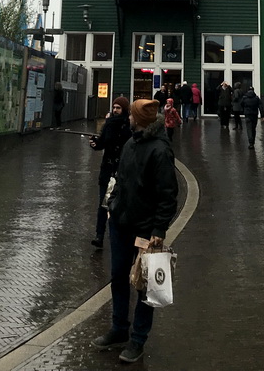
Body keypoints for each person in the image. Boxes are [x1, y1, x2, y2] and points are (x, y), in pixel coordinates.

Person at [94, 99, 178, 365]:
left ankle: (138, 339)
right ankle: (119, 327)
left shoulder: (160, 151)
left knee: (145, 284)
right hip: (120, 223)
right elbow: (120, 178)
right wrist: (113, 204)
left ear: (139, 119)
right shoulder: (131, 144)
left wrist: (158, 228)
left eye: (131, 115)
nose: (128, 118)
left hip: (145, 229)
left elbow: (168, 194)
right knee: (118, 276)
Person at [89, 95, 132, 250]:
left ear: (124, 109)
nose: (115, 110)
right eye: (114, 107)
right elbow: (102, 143)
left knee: (120, 204)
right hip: (107, 170)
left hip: (121, 171)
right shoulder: (108, 124)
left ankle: (119, 236)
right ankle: (99, 235)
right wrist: (95, 143)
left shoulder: (129, 126)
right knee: (103, 204)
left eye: (118, 108)